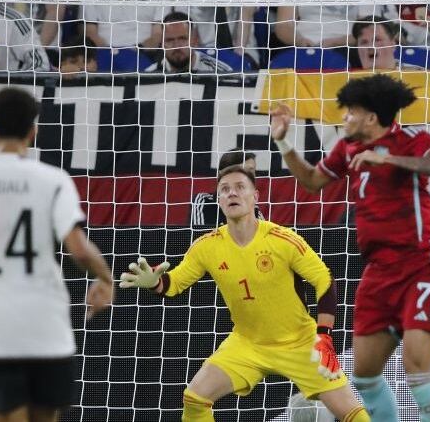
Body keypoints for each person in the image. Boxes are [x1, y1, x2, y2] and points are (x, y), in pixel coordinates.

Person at [269, 74, 430, 421]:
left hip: (420, 261)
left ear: (371, 117)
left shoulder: (410, 139)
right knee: (364, 375)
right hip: (378, 271)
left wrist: (388, 160)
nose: (344, 119)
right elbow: (312, 181)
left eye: (350, 112)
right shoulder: (347, 148)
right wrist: (284, 143)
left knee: (415, 365)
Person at [119, 164, 369, 422]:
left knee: (353, 415)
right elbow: (175, 283)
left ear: (255, 197)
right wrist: (154, 283)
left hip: (300, 343)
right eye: (224, 190)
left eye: (240, 187)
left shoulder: (282, 239)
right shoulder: (206, 246)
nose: (232, 194)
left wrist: (324, 337)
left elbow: (325, 280)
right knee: (194, 399)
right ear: (218, 199)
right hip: (247, 343)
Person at [0, 87, 115, 422]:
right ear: (34, 131)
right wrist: (104, 278)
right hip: (48, 328)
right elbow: (78, 248)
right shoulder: (53, 180)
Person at [190, 150, 263, 228]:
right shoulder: (203, 201)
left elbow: (264, 238)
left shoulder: (253, 208)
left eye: (251, 172)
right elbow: (199, 238)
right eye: (241, 171)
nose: (246, 176)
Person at [143, 12, 235, 74]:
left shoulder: (220, 73)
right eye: (170, 40)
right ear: (162, 43)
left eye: (182, 39)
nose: (176, 46)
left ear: (194, 41)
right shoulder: (149, 76)